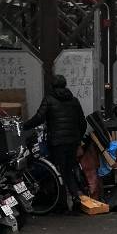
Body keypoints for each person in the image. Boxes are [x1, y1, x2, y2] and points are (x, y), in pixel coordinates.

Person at [29, 73, 87, 214]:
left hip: (57, 142)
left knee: (59, 172)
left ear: (52, 86)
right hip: (72, 142)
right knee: (69, 170)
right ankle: (76, 198)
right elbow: (82, 122)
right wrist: (77, 139)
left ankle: (62, 204)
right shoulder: (74, 100)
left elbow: (39, 118)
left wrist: (25, 126)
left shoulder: (49, 99)